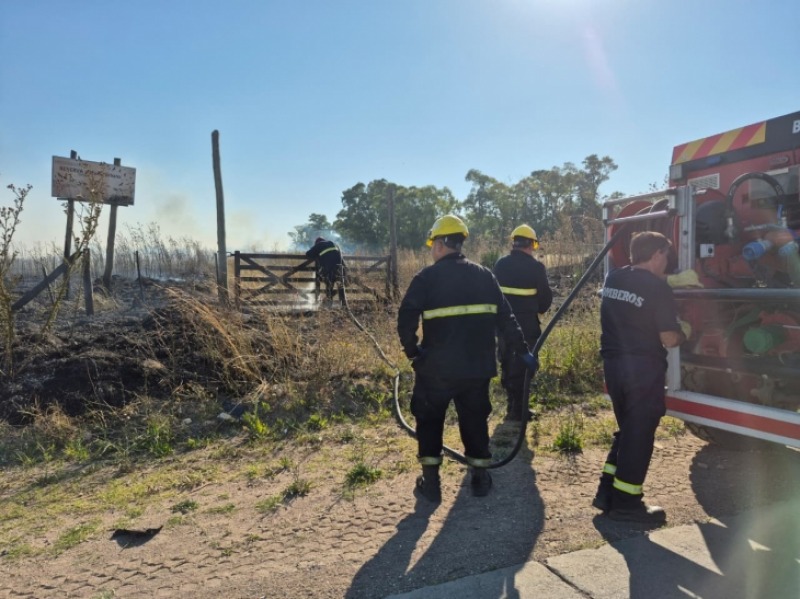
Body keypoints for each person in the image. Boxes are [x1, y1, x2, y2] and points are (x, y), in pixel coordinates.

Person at [397, 214, 539, 503]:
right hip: (477, 369)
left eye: (432, 244)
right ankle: (480, 476)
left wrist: (414, 352)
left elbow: (406, 318)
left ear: (438, 244)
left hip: (436, 369)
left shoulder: (426, 278)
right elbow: (507, 318)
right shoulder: (485, 275)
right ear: (460, 243)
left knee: (430, 420)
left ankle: (432, 483)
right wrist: (523, 351)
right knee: (475, 421)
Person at [593, 231, 687, 524]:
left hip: (614, 366)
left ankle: (606, 493)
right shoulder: (657, 288)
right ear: (657, 254)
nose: (667, 262)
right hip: (642, 369)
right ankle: (628, 505)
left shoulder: (615, 278)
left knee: (628, 430)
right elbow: (669, 338)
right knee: (639, 434)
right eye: (667, 255)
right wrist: (687, 331)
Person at [493, 224, 553, 421]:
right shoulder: (536, 268)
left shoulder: (500, 265)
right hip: (527, 326)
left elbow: (493, 296)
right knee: (525, 366)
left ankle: (512, 406)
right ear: (532, 245)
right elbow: (545, 300)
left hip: (503, 325)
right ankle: (519, 409)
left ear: (514, 243)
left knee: (507, 362)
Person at [306, 237, 345, 305]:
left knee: (329, 287)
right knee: (340, 287)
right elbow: (341, 258)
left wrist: (317, 254)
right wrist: (345, 272)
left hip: (329, 269)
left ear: (317, 243)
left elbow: (308, 254)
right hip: (339, 269)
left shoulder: (318, 245)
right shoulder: (333, 243)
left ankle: (328, 306)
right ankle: (344, 306)